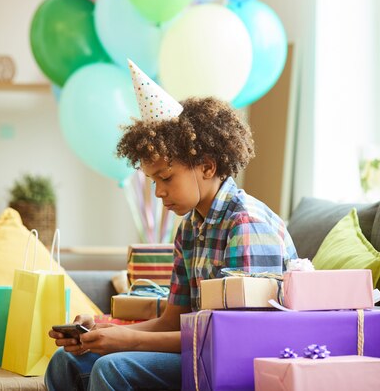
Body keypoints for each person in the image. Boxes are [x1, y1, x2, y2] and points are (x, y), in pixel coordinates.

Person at [45, 61, 297, 391]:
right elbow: (172, 320)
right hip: (203, 350)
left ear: (207, 166)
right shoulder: (190, 229)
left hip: (239, 359)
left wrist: (126, 341)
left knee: (112, 368)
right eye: (152, 180)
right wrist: (104, 331)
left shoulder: (246, 226)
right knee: (66, 361)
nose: (159, 191)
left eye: (166, 178)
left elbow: (236, 338)